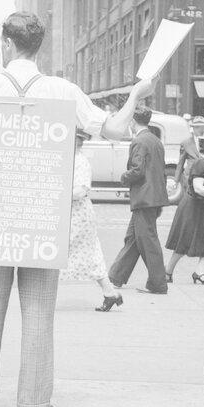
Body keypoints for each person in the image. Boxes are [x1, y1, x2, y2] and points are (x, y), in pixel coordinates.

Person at [0, 11, 155, 407]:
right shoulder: (63, 90)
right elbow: (112, 129)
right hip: (43, 213)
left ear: (7, 43)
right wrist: (136, 94)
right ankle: (34, 404)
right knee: (40, 310)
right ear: (37, 47)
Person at [107, 106, 170, 295]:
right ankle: (115, 277)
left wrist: (123, 177)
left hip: (144, 197)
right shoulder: (155, 140)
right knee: (133, 239)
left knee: (147, 241)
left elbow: (137, 170)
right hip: (153, 197)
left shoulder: (139, 142)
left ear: (133, 122)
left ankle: (158, 284)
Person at [61, 129, 122, 311]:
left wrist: (56, 194)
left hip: (77, 215)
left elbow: (80, 191)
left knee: (61, 251)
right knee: (88, 253)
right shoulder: (72, 159)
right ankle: (110, 293)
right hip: (72, 213)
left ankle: (40, 296)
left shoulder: (80, 161)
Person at [165, 132, 204, 285]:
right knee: (184, 241)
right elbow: (198, 188)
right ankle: (167, 272)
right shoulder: (200, 163)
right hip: (193, 207)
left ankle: (199, 272)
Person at [174, 116, 204, 191]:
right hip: (190, 177)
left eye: (202, 127)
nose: (200, 130)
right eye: (197, 127)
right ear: (193, 128)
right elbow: (180, 163)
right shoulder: (186, 143)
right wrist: (176, 180)